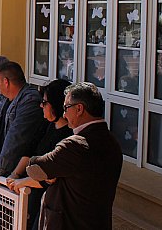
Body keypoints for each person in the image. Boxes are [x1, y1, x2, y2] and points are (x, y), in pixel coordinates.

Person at [26, 82, 123, 230]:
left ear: (79, 109)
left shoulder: (75, 145)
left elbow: (34, 168)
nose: (64, 114)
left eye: (66, 108)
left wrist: (52, 174)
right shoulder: (112, 142)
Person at [6, 79, 73, 229]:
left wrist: (22, 182)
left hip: (52, 202)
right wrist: (15, 174)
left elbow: (51, 176)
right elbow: (30, 150)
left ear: (57, 104)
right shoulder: (47, 124)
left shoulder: (69, 137)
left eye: (44, 102)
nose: (41, 106)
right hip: (34, 193)